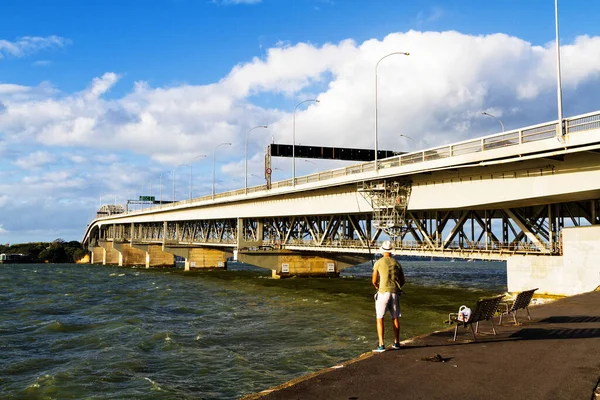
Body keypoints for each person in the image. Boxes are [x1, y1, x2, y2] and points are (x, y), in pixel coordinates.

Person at [372, 240, 405, 352]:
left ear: (382, 250)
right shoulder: (397, 263)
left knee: (380, 318)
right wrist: (396, 286)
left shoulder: (378, 262)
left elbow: (374, 280)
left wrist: (377, 286)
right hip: (395, 293)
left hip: (383, 293)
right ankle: (396, 343)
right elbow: (403, 281)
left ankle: (381, 345)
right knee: (395, 318)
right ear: (391, 251)